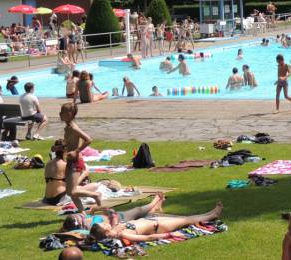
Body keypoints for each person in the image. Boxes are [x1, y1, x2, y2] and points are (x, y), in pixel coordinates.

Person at [89, 202, 224, 243]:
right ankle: (213, 214)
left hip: (152, 220)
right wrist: (167, 236)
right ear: (105, 231)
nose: (104, 222)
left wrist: (103, 208)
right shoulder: (122, 234)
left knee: (185, 218)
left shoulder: (115, 227)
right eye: (103, 224)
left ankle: (209, 214)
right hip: (159, 227)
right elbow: (147, 238)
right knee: (186, 220)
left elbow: (112, 215)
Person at [43, 141, 102, 207]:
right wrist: (84, 174)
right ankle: (95, 196)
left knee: (81, 187)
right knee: (95, 185)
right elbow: (74, 185)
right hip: (60, 198)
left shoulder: (49, 163)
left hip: (47, 198)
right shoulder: (64, 165)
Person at [61, 102, 93, 212]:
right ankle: (82, 213)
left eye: (62, 112)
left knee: (72, 192)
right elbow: (68, 144)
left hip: (76, 162)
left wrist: (77, 151)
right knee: (71, 192)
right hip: (70, 161)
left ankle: (95, 195)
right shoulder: (67, 128)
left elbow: (88, 139)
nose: (60, 114)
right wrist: (59, 148)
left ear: (70, 114)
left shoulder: (74, 128)